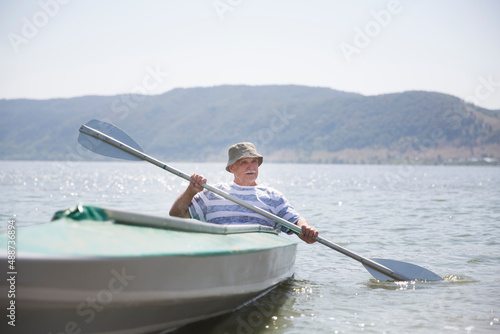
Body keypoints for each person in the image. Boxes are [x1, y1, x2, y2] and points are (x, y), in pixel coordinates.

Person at [169, 142, 318, 244]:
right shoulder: (213, 193)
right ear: (232, 168)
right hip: (221, 248)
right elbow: (176, 214)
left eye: (254, 161)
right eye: (244, 162)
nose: (251, 167)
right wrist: (191, 190)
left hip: (258, 250)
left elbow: (296, 221)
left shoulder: (273, 196)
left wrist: (306, 230)